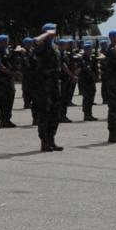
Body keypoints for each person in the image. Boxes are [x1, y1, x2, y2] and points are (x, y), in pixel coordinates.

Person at [34, 24, 64, 152]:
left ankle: (51, 139)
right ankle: (44, 142)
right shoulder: (42, 45)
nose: (55, 32)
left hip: (54, 83)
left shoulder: (54, 46)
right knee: (45, 112)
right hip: (43, 84)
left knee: (55, 113)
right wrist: (47, 34)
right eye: (54, 30)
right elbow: (35, 41)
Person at [0, 34, 19, 128]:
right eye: (6, 41)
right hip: (1, 80)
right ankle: (3, 120)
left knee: (10, 98)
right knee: (3, 100)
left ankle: (7, 119)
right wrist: (12, 73)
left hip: (8, 79)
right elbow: (0, 67)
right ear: (1, 42)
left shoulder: (7, 51)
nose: (7, 42)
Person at [78, 39, 99, 121]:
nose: (90, 51)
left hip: (90, 81)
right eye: (88, 49)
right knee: (87, 98)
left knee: (91, 96)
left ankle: (89, 114)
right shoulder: (83, 58)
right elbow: (87, 69)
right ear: (85, 50)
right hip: (85, 81)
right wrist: (94, 76)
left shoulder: (91, 58)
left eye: (90, 49)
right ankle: (86, 114)